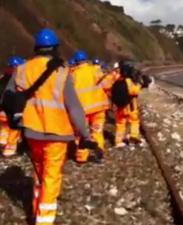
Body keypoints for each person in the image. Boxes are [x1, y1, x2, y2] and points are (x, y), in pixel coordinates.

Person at [4, 28, 96, 225]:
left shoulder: (22, 69)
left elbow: (8, 99)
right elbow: (74, 107)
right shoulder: (62, 71)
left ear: (36, 48)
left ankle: (37, 208)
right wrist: (85, 134)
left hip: (31, 132)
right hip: (58, 133)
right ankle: (44, 220)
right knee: (51, 175)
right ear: (55, 48)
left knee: (39, 171)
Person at [71, 50, 109, 163]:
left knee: (81, 133)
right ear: (86, 60)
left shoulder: (73, 75)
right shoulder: (95, 70)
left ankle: (81, 157)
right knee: (97, 131)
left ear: (76, 62)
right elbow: (106, 84)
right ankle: (99, 153)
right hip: (98, 108)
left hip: (82, 110)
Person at [112, 61, 142, 147]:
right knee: (134, 121)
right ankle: (133, 136)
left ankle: (118, 141)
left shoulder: (117, 80)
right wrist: (140, 85)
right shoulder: (128, 81)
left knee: (120, 124)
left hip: (119, 107)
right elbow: (134, 91)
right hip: (129, 106)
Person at [0, 56, 24, 157]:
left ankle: (2, 143)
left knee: (4, 128)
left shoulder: (2, 78)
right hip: (13, 110)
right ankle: (9, 150)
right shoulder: (18, 80)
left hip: (1, 110)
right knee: (14, 130)